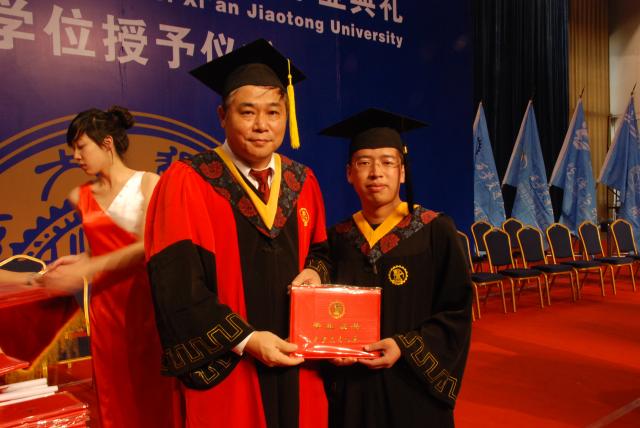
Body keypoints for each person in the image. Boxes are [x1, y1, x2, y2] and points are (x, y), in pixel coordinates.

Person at [145, 39, 330, 428]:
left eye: (273, 112)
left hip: (299, 362)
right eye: (247, 112)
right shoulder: (189, 181)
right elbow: (176, 285)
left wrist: (316, 272)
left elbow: (322, 252)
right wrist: (247, 340)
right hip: (231, 368)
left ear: (286, 116)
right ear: (222, 115)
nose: (262, 125)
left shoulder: (302, 181)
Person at [319, 108, 473, 428]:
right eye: (364, 163)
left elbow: (456, 311)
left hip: (412, 387)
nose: (376, 173)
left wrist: (404, 346)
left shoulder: (434, 230)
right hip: (353, 390)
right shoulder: (337, 238)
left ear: (402, 172)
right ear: (349, 173)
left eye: (388, 162)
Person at [40, 106, 182, 428]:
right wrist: (79, 262)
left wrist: (89, 268)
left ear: (107, 143)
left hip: (147, 305)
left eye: (81, 147)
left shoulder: (148, 183)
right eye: (72, 149)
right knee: (114, 394)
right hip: (105, 310)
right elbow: (99, 250)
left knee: (153, 392)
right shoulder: (80, 195)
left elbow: (150, 245)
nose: (75, 156)